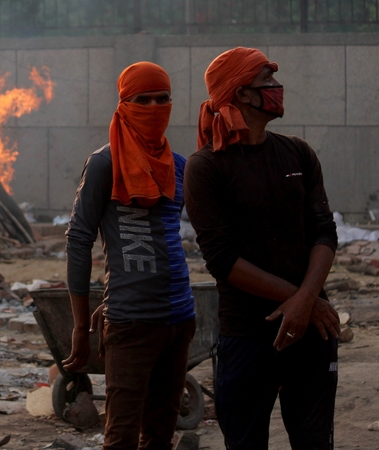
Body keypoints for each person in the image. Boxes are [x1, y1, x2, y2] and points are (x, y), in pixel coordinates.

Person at [184, 47, 341, 449]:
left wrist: (305, 302)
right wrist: (303, 299)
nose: (277, 89)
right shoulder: (206, 168)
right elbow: (222, 259)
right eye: (266, 82)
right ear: (241, 94)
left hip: (311, 333)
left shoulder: (298, 153)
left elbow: (324, 232)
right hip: (248, 336)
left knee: (314, 442)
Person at [63, 61, 196, 450]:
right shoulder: (105, 163)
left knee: (160, 436)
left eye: (163, 99)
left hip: (181, 318)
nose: (155, 108)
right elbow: (79, 240)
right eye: (143, 100)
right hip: (131, 323)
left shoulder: (180, 167)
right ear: (124, 105)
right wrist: (78, 324)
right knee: (120, 438)